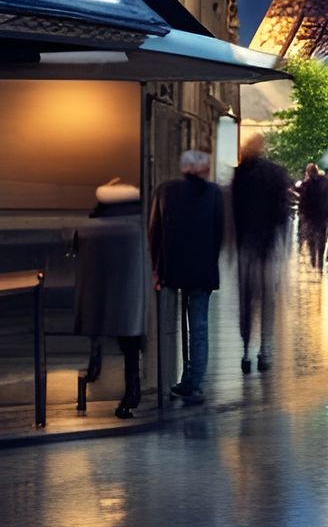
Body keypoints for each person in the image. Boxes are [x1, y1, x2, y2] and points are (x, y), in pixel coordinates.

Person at [148, 149, 226, 405]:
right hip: (202, 270)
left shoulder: (166, 190)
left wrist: (156, 268)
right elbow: (219, 234)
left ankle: (163, 377)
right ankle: (193, 381)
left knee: (168, 325)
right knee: (199, 326)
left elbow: (154, 231)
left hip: (172, 267)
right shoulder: (214, 193)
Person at [74, 180, 146, 419]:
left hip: (100, 292)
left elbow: (77, 248)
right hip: (130, 295)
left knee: (98, 329)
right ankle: (131, 394)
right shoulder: (140, 223)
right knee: (130, 347)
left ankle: (94, 367)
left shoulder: (94, 222)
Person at [231, 134, 291, 374]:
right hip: (268, 246)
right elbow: (282, 214)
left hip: (247, 246)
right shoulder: (276, 173)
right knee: (268, 301)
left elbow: (233, 213)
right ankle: (265, 350)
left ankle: (246, 350)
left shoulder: (239, 175)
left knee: (247, 301)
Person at [299, 163, 328, 270]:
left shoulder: (306, 184)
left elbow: (302, 202)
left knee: (311, 244)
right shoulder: (325, 183)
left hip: (309, 218)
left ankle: (313, 265)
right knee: (321, 244)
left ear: (308, 172)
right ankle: (320, 269)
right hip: (322, 218)